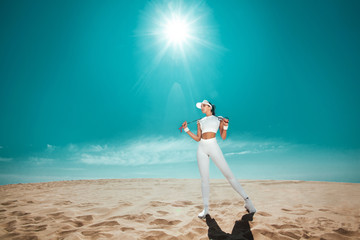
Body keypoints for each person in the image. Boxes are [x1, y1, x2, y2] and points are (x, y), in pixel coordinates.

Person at [181, 99, 256, 219]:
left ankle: (248, 202)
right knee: (204, 179)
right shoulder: (200, 121)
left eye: (204, 105)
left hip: (213, 146)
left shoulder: (218, 119)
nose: (202, 108)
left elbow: (223, 136)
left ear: (210, 107)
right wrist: (186, 129)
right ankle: (206, 209)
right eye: (201, 106)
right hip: (202, 148)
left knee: (229, 175)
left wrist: (225, 126)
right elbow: (198, 138)